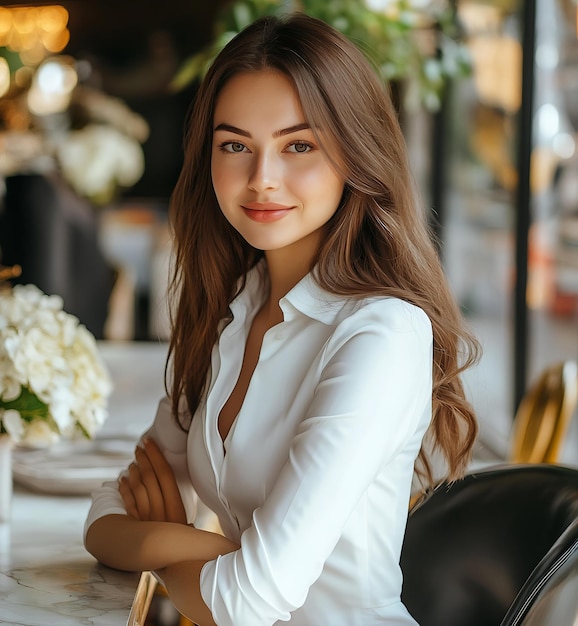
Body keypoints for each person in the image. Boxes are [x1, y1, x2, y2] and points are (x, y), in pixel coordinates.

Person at [84, 13, 479, 626]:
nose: (262, 179)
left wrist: (160, 543)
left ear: (354, 152)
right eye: (235, 145)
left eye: (299, 145)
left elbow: (247, 602)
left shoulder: (380, 335)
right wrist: (213, 554)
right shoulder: (233, 306)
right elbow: (105, 518)